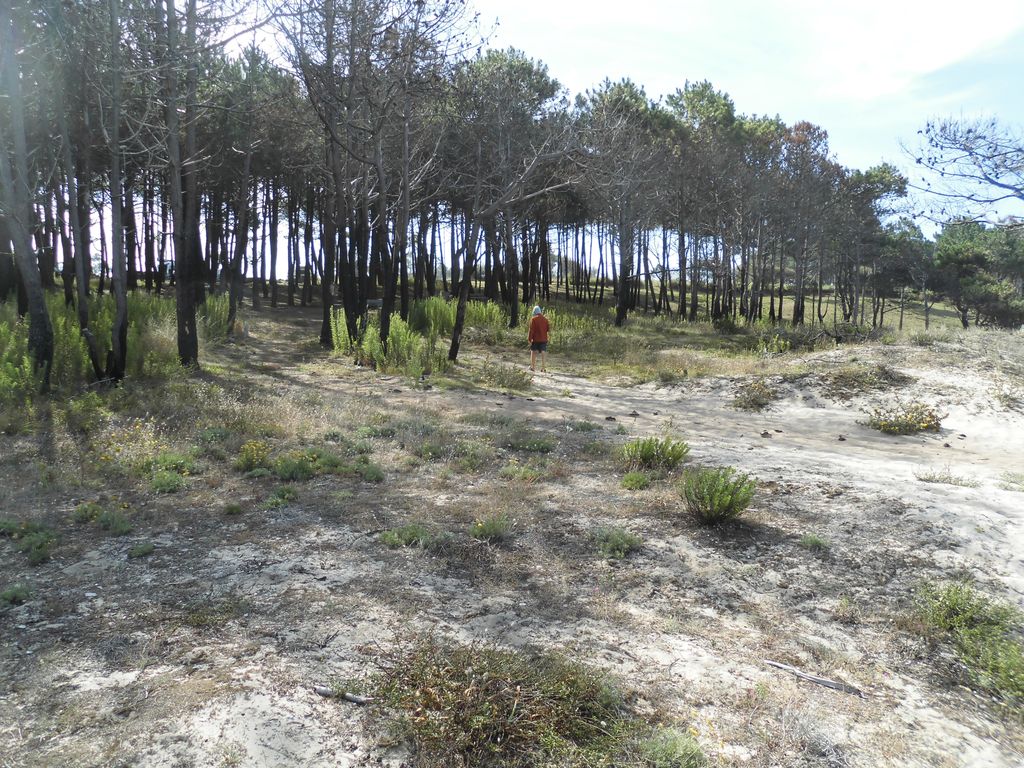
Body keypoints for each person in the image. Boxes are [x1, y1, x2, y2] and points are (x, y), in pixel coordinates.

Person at [527, 305, 549, 372]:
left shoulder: (533, 319)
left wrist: (529, 339)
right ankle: (543, 368)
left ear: (534, 312)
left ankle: (533, 367)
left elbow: (531, 330)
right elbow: (548, 329)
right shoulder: (546, 320)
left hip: (536, 339)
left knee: (533, 352)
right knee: (543, 352)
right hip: (544, 339)